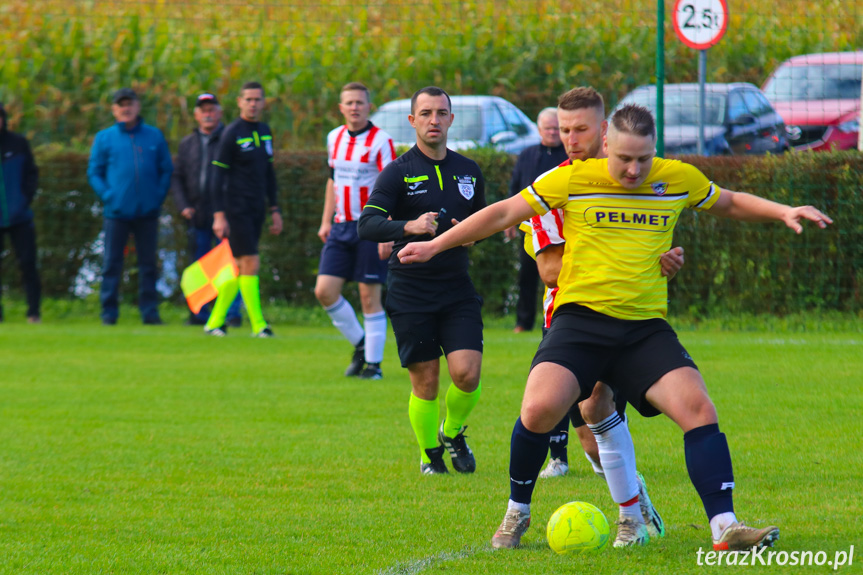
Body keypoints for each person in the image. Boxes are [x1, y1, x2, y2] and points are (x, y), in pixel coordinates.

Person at [398, 103, 833, 551]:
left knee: (699, 409)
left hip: (643, 328)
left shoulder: (676, 178)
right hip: (581, 322)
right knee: (538, 410)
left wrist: (782, 211)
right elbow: (504, 213)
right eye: (624, 158)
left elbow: (730, 202)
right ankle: (517, 512)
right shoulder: (573, 178)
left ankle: (725, 525)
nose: (632, 169)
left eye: (642, 159)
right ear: (607, 145)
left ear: (654, 151)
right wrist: (436, 246)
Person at [519, 88, 677, 547]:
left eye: (581, 129)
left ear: (605, 131)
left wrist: (659, 257)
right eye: (564, 130)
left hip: (625, 318)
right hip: (569, 319)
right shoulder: (555, 185)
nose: (570, 138)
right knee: (589, 434)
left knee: (596, 406)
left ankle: (631, 517)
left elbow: (656, 238)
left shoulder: (638, 178)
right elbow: (550, 270)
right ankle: (638, 497)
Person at [357, 86, 486, 475]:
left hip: (456, 288)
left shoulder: (469, 170)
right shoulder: (397, 172)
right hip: (411, 290)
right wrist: (408, 225)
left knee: (467, 373)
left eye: (441, 113)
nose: (434, 120)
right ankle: (430, 454)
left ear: (450, 119)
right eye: (426, 113)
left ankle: (452, 431)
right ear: (412, 121)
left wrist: (471, 232)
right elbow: (367, 224)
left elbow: (481, 223)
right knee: (426, 381)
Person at [315, 82, 397, 379]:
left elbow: (392, 188)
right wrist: (326, 221)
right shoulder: (334, 137)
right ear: (341, 107)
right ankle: (363, 344)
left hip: (371, 226)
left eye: (359, 102)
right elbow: (332, 181)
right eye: (349, 102)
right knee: (324, 291)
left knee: (368, 295)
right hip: (340, 225)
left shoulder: (382, 141)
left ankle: (374, 366)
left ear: (368, 106)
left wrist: (387, 230)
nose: (354, 107)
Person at [88, 88, 173, 325]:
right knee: (112, 263)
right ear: (114, 110)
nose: (126, 109)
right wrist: (108, 195)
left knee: (148, 264)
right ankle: (109, 312)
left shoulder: (154, 136)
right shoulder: (104, 138)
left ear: (137, 107)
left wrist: (157, 196)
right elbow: (94, 172)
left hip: (148, 212)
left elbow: (166, 169)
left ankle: (150, 312)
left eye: (130, 104)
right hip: (117, 212)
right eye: (121, 105)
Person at [206, 81, 282, 337]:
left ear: (263, 102)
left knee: (239, 265)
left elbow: (269, 174)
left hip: (256, 208)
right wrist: (218, 214)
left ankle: (215, 322)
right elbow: (217, 176)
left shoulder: (265, 130)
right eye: (248, 99)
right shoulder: (231, 132)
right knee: (250, 261)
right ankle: (259, 325)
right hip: (235, 208)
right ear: (239, 102)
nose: (253, 103)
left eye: (257, 99)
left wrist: (274, 209)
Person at [171, 92, 243, 327]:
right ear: (196, 115)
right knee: (200, 266)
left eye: (212, 109)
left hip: (226, 214)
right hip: (198, 215)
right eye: (203, 110)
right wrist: (184, 206)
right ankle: (199, 312)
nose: (208, 114)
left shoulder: (228, 139)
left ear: (220, 112)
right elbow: (178, 177)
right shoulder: (187, 144)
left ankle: (230, 314)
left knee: (230, 265)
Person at [505, 107, 567, 333]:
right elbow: (515, 190)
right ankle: (523, 321)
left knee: (557, 277)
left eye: (556, 128)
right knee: (527, 275)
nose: (552, 132)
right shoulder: (527, 155)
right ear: (539, 130)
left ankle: (558, 319)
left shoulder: (569, 158)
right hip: (531, 226)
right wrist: (510, 222)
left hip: (563, 229)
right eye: (548, 128)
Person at [0, 101, 41, 324]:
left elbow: (32, 175)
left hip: (19, 217)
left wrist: (24, 200)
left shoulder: (18, 143)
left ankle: (33, 312)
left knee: (28, 263)